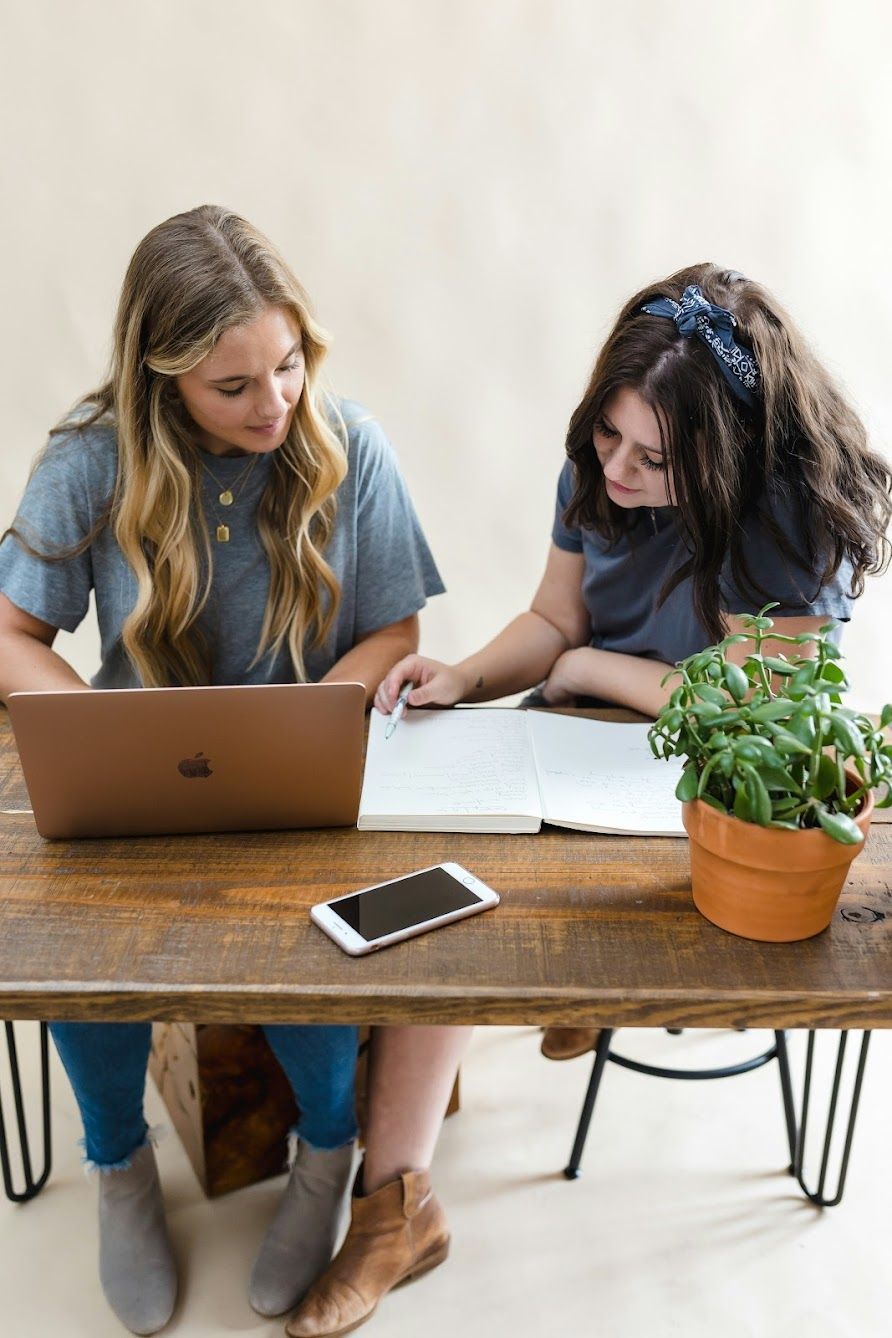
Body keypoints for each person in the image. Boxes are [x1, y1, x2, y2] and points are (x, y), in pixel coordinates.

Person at [0, 205, 468, 1337]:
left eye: (288, 364)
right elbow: (10, 636)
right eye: (233, 385)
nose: (275, 404)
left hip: (293, 782)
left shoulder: (348, 446)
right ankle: (119, 1170)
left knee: (313, 954)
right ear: (163, 384)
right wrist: (99, 734)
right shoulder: (88, 461)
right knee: (81, 961)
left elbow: (395, 631)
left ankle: (325, 1157)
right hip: (131, 791)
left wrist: (317, 712)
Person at [375, 262, 892, 1065]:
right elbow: (555, 617)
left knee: (610, 898)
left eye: (652, 459)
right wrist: (464, 677)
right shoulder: (599, 470)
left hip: (710, 777)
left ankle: (586, 982)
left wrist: (588, 670)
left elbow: (749, 714)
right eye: (607, 433)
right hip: (587, 734)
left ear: (730, 455)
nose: (616, 470)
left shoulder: (792, 516)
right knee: (449, 866)